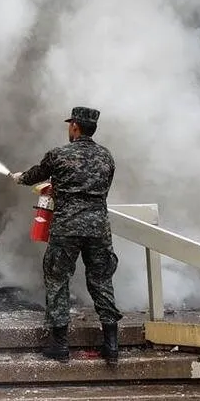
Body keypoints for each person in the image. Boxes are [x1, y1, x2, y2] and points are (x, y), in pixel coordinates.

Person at [9, 107, 123, 364]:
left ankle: (60, 345)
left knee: (58, 280)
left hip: (67, 228)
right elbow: (101, 190)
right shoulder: (107, 157)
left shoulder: (59, 155)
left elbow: (34, 176)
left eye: (70, 124)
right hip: (98, 229)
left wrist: (20, 178)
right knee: (102, 281)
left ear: (74, 127)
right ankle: (112, 347)